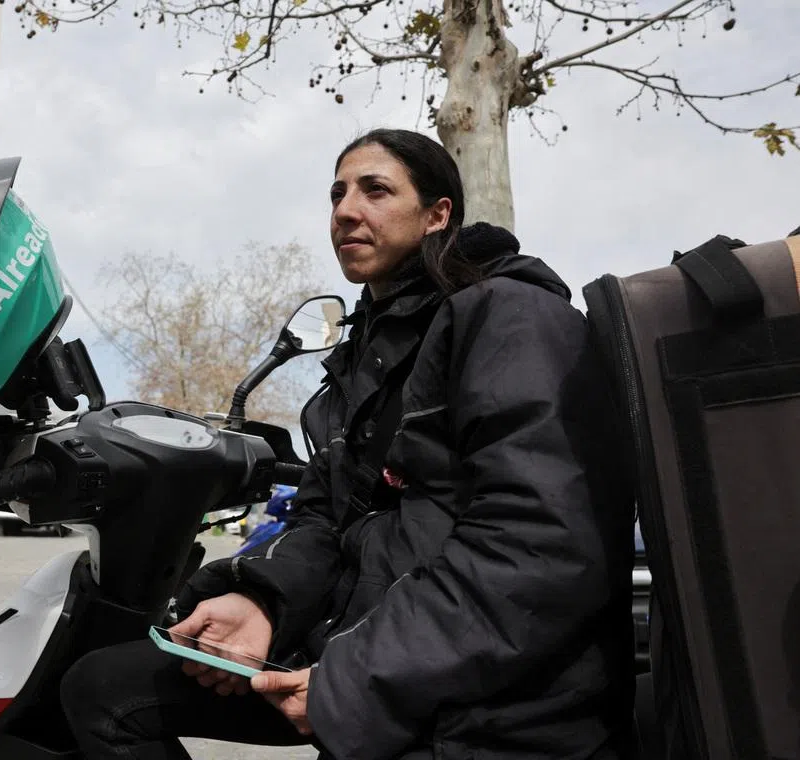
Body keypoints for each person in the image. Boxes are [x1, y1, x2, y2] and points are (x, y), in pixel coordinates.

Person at [59, 128, 637, 759]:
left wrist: (357, 678)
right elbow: (324, 518)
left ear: (437, 214)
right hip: (371, 653)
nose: (345, 210)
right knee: (102, 690)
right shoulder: (362, 359)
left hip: (494, 707)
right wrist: (263, 601)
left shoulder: (511, 317)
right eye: (336, 194)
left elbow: (541, 546)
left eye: (376, 190)